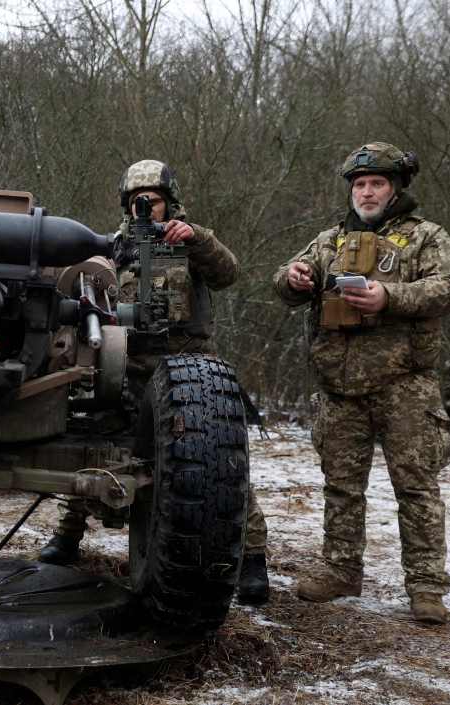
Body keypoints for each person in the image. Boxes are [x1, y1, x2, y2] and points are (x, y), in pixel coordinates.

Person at [39, 159, 271, 605]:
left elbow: (228, 272)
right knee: (96, 449)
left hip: (189, 364)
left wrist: (197, 239)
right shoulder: (112, 246)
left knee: (218, 463)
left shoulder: (191, 240)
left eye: (155, 200)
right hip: (124, 363)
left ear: (170, 202)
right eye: (137, 201)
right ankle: (68, 536)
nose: (147, 207)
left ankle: (251, 560)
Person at [273, 141, 450, 625]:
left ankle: (425, 587)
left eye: (376, 183)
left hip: (405, 383)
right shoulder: (331, 240)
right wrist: (293, 278)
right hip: (340, 385)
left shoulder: (426, 236)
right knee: (340, 486)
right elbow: (283, 280)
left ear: (395, 188)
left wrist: (390, 297)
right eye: (359, 184)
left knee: (417, 488)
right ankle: (341, 569)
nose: (367, 192)